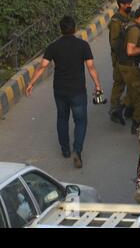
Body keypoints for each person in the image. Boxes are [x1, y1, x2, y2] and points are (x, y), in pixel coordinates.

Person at [26, 16, 103, 169]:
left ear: (61, 29)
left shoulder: (53, 46)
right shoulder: (83, 45)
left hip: (60, 89)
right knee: (80, 121)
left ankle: (65, 150)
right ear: (74, 28)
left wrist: (31, 82)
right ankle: (77, 150)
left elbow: (43, 66)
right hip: (78, 91)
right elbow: (91, 67)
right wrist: (97, 85)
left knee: (62, 118)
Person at [118, 5, 140, 135]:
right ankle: (137, 122)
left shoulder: (132, 24)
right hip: (129, 66)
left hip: (125, 65)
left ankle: (120, 110)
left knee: (132, 90)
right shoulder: (134, 30)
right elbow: (130, 50)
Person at [109, 0, 134, 125]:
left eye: (130, 3)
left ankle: (128, 106)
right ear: (121, 5)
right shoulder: (116, 21)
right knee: (119, 83)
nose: (130, 5)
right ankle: (115, 109)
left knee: (131, 83)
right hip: (120, 57)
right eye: (127, 4)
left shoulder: (129, 16)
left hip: (128, 56)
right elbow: (114, 43)